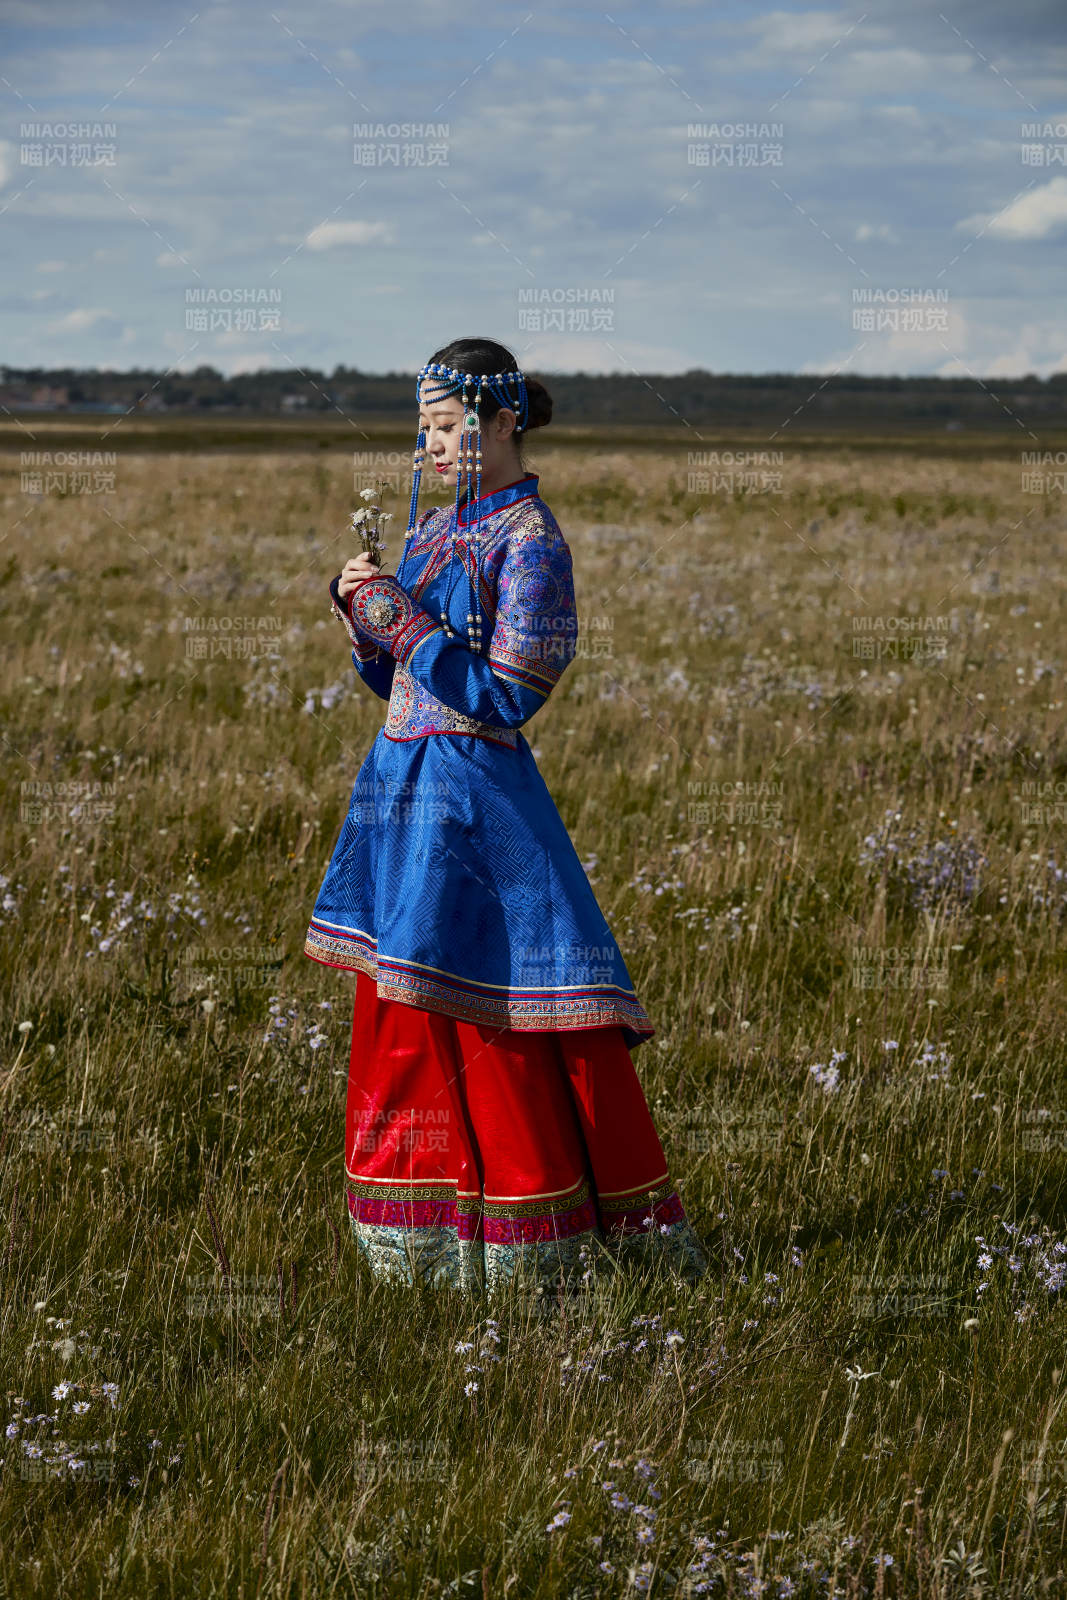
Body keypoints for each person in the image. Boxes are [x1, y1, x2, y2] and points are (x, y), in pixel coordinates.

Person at [305, 336, 708, 1295]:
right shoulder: (437, 531)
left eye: (446, 428)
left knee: (490, 1013)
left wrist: (399, 620)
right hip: (403, 797)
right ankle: (422, 1240)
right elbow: (403, 673)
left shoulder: (533, 541)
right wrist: (366, 623)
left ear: (500, 423)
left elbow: (509, 692)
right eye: (424, 432)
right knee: (407, 1011)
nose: (430, 450)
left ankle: (529, 1239)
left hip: (478, 810)